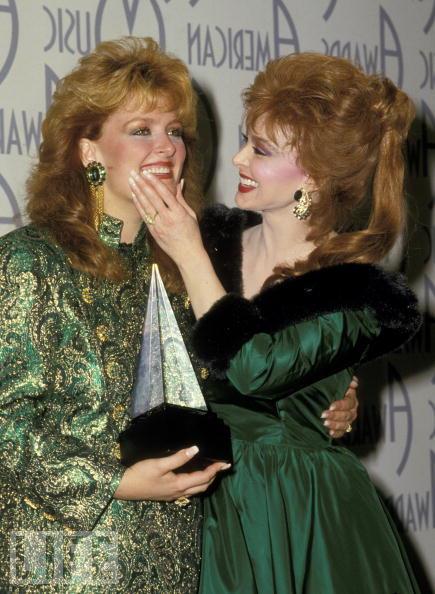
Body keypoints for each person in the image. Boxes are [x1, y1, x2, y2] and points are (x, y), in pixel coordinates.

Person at [0, 39, 357, 592]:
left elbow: (244, 380)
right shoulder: (29, 261)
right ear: (88, 150)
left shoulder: (189, 268)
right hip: (65, 564)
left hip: (183, 558)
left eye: (175, 131)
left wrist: (327, 396)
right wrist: (115, 481)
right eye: (141, 130)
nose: (166, 146)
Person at [129, 52, 422, 593]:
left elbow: (254, 370)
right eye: (246, 140)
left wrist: (189, 253)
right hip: (191, 504)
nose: (238, 158)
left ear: (316, 177)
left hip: (295, 514)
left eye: (261, 150)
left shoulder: (358, 293)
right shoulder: (209, 238)